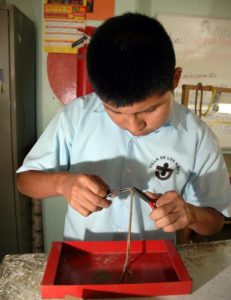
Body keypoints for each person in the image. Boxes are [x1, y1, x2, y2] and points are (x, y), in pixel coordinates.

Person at [17, 13, 231, 242]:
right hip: (82, 258)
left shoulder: (197, 136)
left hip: (153, 264)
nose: (134, 125)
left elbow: (216, 221)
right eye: (116, 112)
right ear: (99, 94)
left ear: (175, 79)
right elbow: (25, 181)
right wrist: (62, 183)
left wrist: (190, 214)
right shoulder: (76, 117)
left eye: (150, 110)